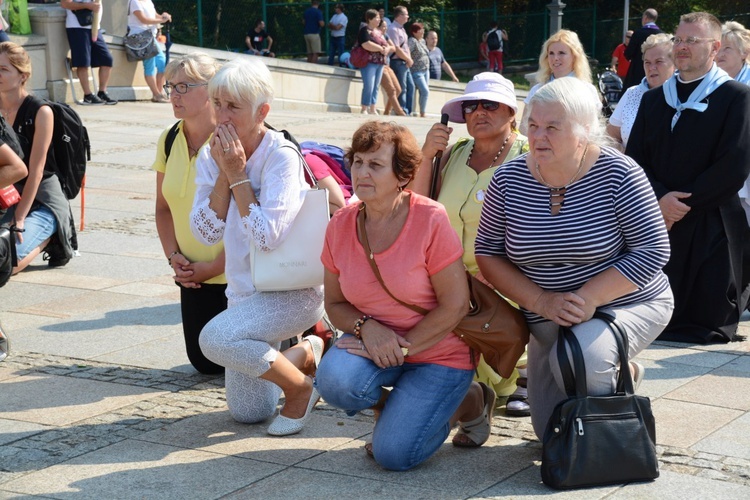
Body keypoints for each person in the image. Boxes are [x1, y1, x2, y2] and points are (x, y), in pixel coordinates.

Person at [475, 76, 674, 440]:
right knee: (548, 430)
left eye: (553, 127)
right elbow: (488, 251)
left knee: (583, 361)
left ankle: (607, 437)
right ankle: (615, 370)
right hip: (547, 315)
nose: (538, 137)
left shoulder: (620, 173)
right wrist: (541, 301)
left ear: (585, 130)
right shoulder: (508, 180)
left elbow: (654, 249)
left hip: (626, 303)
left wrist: (589, 300)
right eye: (533, 125)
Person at [315, 120, 497, 471]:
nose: (362, 173)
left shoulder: (429, 218)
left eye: (376, 165)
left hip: (439, 353)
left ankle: (470, 402)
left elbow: (456, 304)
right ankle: (403, 409)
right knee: (334, 381)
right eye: (358, 162)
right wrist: (367, 327)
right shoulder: (339, 224)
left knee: (394, 456)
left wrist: (402, 346)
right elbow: (335, 304)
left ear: (402, 175)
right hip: (377, 345)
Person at [189, 58, 325, 433]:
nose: (222, 115)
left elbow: (267, 236)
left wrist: (237, 175)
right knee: (248, 412)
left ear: (262, 111)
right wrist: (223, 174)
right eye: (217, 103)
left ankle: (299, 389)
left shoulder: (280, 156)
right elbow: (204, 234)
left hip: (293, 292)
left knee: (213, 338)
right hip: (244, 293)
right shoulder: (210, 154)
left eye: (233, 106)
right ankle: (306, 354)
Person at [626, 12, 750, 344]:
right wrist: (659, 199)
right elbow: (635, 160)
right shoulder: (654, 99)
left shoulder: (736, 96)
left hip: (712, 221)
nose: (682, 47)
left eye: (692, 40)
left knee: (705, 321)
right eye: (679, 39)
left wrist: (680, 204)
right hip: (658, 218)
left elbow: (734, 165)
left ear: (715, 47)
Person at [413, 72, 531, 417]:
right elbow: (419, 207)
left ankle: (521, 379)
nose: (479, 111)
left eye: (490, 104)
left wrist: (496, 273)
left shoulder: (526, 157)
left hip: (506, 277)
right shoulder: (453, 154)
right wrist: (426, 157)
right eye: (471, 105)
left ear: (511, 112)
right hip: (449, 277)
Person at [153, 53, 225, 375]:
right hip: (193, 278)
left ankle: (308, 340)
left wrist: (212, 267)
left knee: (236, 361)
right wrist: (174, 258)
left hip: (237, 276)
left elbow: (252, 220)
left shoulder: (231, 140)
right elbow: (163, 208)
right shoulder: (169, 139)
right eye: (171, 86)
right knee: (205, 363)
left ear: (211, 91)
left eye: (184, 86)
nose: (174, 95)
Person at [0, 42, 75, 273]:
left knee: (7, 262)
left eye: (3, 69)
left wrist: (20, 217)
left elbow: (37, 169)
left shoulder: (41, 111)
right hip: (8, 196)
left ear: (22, 75)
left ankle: (54, 235)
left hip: (42, 196)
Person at [607, 33, 674, 148]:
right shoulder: (631, 93)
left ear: (675, 64)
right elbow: (610, 137)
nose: (651, 67)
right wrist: (624, 158)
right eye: (647, 62)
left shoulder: (683, 95)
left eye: (659, 62)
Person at [521, 29, 593, 132]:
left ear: (574, 56)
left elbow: (593, 132)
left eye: (561, 53)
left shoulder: (587, 90)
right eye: (551, 53)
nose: (555, 58)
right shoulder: (537, 90)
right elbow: (524, 128)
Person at [60, 0, 118, 105]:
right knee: (83, 63)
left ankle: (102, 92)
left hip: (95, 27)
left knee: (107, 59)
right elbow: (65, 4)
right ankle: (88, 95)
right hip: (77, 27)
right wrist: (88, 6)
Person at [127, 0, 172, 103]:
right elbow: (144, 20)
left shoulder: (148, 2)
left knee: (163, 63)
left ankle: (158, 94)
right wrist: (162, 20)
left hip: (151, 38)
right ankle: (157, 94)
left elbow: (155, 16)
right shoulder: (134, 2)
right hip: (140, 37)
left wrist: (164, 16)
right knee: (150, 66)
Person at [357, 9, 391, 115]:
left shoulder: (379, 32)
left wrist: (386, 49)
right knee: (369, 85)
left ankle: (373, 107)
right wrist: (381, 48)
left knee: (376, 86)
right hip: (368, 62)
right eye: (376, 17)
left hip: (379, 62)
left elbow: (387, 44)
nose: (379, 19)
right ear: (370, 19)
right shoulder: (364, 30)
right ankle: (364, 107)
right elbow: (366, 44)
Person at [623, 8, 662, 91]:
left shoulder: (638, 33)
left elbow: (628, 53)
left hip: (637, 73)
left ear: (645, 17)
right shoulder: (661, 34)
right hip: (656, 72)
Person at [387, 6, 414, 116]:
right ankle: (401, 110)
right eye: (406, 14)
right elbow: (397, 48)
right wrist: (407, 59)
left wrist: (409, 59)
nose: (408, 16)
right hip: (398, 62)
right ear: (399, 16)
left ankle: (408, 110)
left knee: (410, 86)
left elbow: (405, 47)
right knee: (402, 88)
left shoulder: (402, 29)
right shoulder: (393, 29)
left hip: (405, 62)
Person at [376, 19, 406, 116]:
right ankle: (400, 112)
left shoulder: (385, 36)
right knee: (391, 90)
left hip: (387, 65)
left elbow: (393, 48)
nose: (385, 29)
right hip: (380, 66)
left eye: (385, 26)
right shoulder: (375, 36)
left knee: (398, 89)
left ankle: (387, 112)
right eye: (382, 27)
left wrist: (388, 48)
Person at [407, 23, 429, 118]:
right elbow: (407, 52)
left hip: (425, 70)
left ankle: (422, 111)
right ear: (414, 32)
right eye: (420, 29)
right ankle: (422, 113)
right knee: (425, 91)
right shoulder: (412, 41)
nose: (423, 31)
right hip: (417, 71)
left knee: (423, 92)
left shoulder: (423, 41)